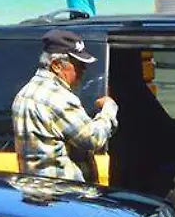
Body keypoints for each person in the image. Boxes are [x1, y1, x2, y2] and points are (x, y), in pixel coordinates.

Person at [12, 29, 118, 182]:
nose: (83, 70)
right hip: (64, 195)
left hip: (37, 191)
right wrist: (109, 108)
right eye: (78, 64)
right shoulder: (57, 98)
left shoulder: (25, 92)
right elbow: (93, 139)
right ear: (56, 65)